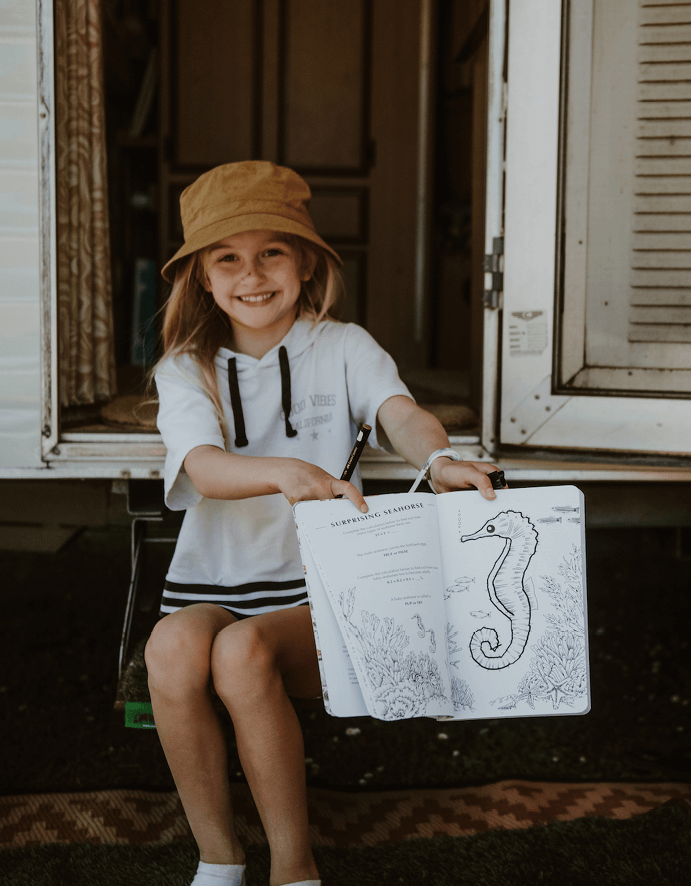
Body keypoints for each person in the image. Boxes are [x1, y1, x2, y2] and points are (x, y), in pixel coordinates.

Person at [144, 161, 500, 886]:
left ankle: (294, 869)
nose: (252, 273)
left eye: (271, 250)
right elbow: (204, 467)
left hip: (322, 589)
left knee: (242, 654)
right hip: (212, 582)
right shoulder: (185, 367)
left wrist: (439, 460)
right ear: (203, 279)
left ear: (306, 263)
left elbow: (399, 413)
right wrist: (282, 471)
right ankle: (218, 860)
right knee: (172, 645)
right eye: (227, 257)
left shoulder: (344, 347)